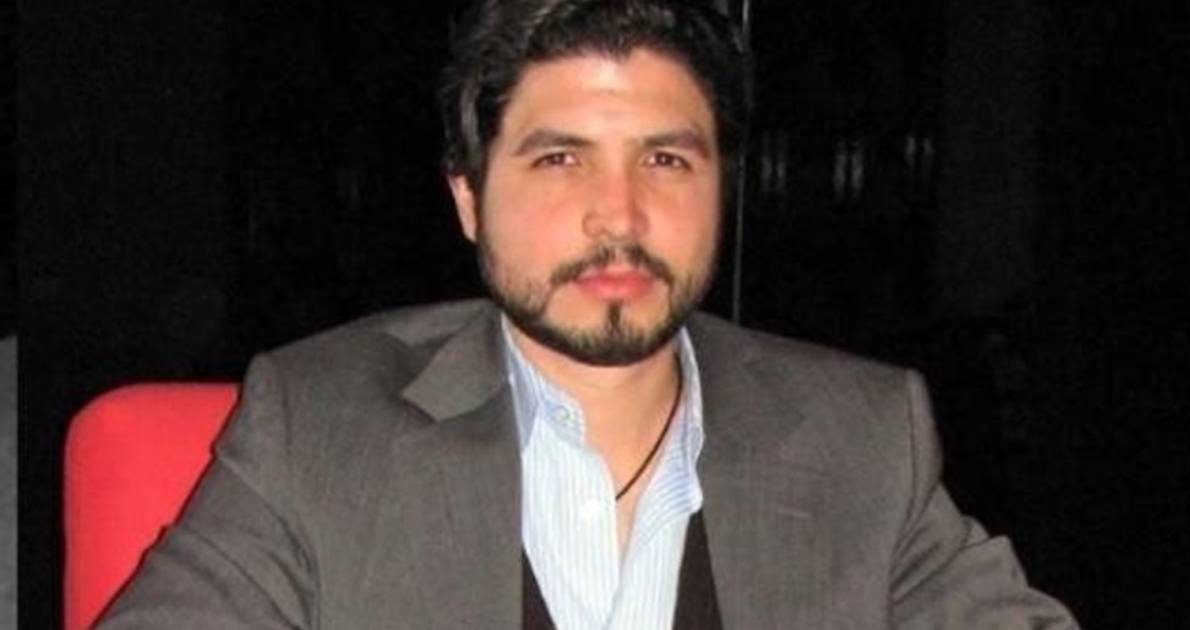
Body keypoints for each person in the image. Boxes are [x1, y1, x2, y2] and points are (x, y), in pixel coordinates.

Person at [101, 1, 1078, 628]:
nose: (620, 215)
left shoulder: (862, 436)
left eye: (666, 159)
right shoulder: (317, 421)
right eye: (560, 159)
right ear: (469, 198)